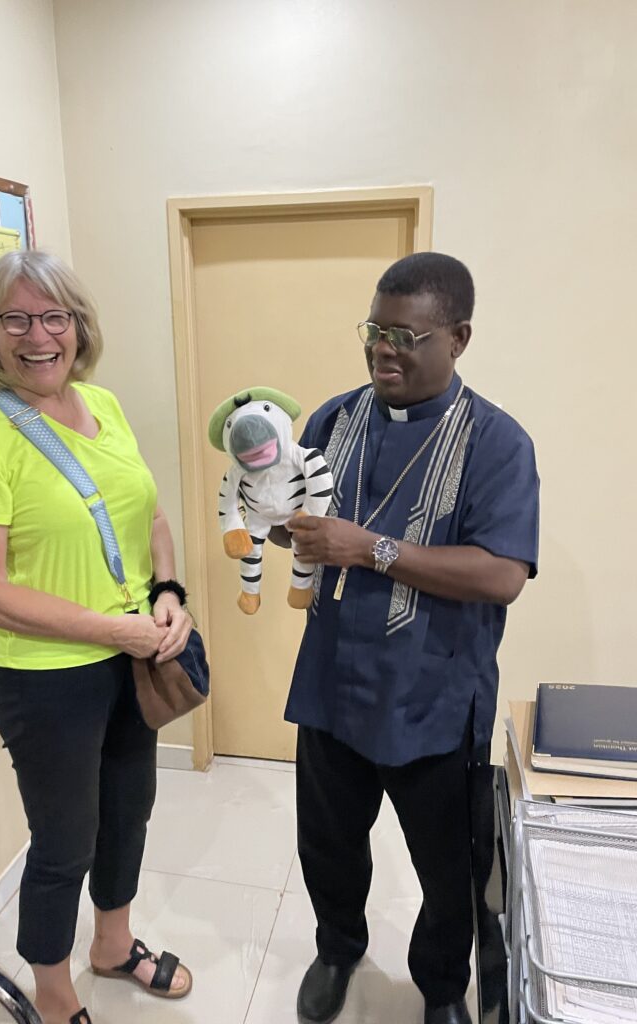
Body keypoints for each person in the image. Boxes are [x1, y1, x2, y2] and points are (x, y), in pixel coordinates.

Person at [0, 250, 193, 1024]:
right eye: (15, 318)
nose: (38, 335)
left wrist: (168, 592)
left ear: (80, 327)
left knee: (129, 811)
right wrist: (117, 627)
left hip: (132, 659)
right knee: (64, 840)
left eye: (55, 317)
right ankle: (52, 991)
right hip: (44, 678)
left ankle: (112, 946)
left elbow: (148, 517)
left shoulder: (101, 404)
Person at [283, 253, 539, 1024]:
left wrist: (371, 549)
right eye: (374, 330)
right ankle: (338, 949)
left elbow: (502, 574)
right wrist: (279, 523)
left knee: (447, 867)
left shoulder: (496, 441)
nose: (382, 351)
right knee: (328, 844)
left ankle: (440, 986)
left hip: (433, 694)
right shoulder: (333, 420)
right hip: (332, 682)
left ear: (458, 338)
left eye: (405, 336)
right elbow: (302, 525)